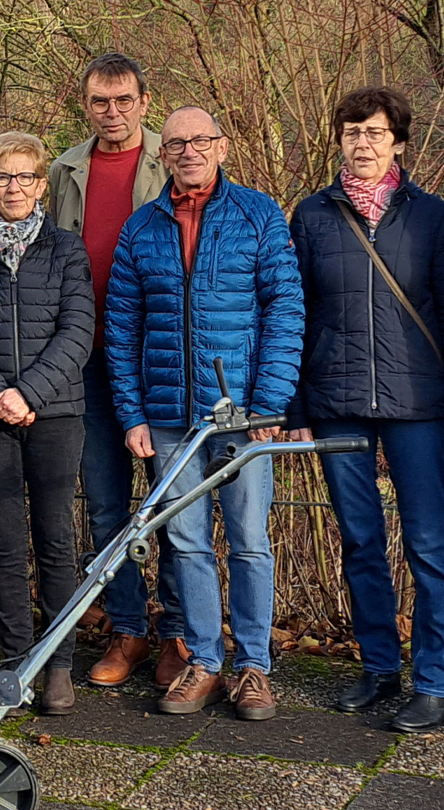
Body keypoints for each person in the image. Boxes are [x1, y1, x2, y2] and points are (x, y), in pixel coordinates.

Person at [105, 106, 305, 718]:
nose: (189, 151)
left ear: (221, 146)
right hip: (169, 417)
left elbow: (285, 307)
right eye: (176, 143)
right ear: (161, 155)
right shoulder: (141, 228)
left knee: (248, 541)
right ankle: (206, 661)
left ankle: (252, 668)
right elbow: (121, 328)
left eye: (200, 140)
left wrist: (270, 402)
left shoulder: (258, 214)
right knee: (185, 541)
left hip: (242, 414)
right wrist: (132, 413)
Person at [286, 86, 444, 733]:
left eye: (374, 132)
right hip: (336, 402)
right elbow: (295, 314)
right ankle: (379, 668)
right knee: (360, 541)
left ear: (398, 141)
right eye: (352, 131)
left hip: (416, 402)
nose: (362, 143)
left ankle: (436, 680)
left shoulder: (430, 216)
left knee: (428, 542)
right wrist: (298, 401)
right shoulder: (311, 215)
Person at [0, 132, 95, 715]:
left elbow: (78, 331)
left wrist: (28, 392)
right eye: (3, 177)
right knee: (3, 541)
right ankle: (15, 659)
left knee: (55, 539)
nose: (13, 188)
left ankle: (57, 664)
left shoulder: (65, 251)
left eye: (25, 177)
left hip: (55, 412)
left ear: (42, 187)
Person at [45, 53, 181, 689]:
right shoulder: (65, 170)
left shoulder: (176, 156)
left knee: (174, 503)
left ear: (144, 102)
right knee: (105, 507)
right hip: (87, 357)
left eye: (124, 100)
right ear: (85, 104)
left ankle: (180, 632)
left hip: (161, 357)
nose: (113, 112)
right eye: (100, 101)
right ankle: (126, 627)